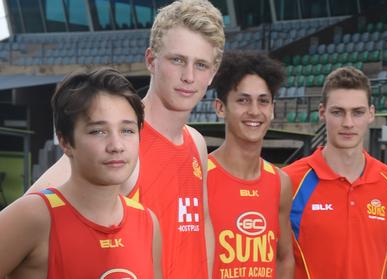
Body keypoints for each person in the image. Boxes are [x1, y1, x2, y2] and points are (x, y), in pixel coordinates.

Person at [28, 1, 225, 278]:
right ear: (151, 60)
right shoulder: (123, 139)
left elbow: (201, 226)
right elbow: (30, 213)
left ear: (212, 74)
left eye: (201, 64)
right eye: (177, 60)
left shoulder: (196, 142)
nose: (189, 76)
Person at [0, 68, 162, 278]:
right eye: (98, 131)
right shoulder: (33, 216)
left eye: (127, 130)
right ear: (66, 141)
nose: (116, 145)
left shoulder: (147, 222)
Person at [283, 66, 387, 278]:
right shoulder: (290, 180)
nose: (348, 123)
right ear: (322, 113)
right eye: (338, 112)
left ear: (371, 114)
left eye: (357, 112)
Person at [207, 51, 294, 279]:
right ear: (220, 107)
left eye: (263, 101)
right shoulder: (198, 177)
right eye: (243, 100)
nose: (254, 111)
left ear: (272, 109)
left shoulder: (280, 182)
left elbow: (284, 258)